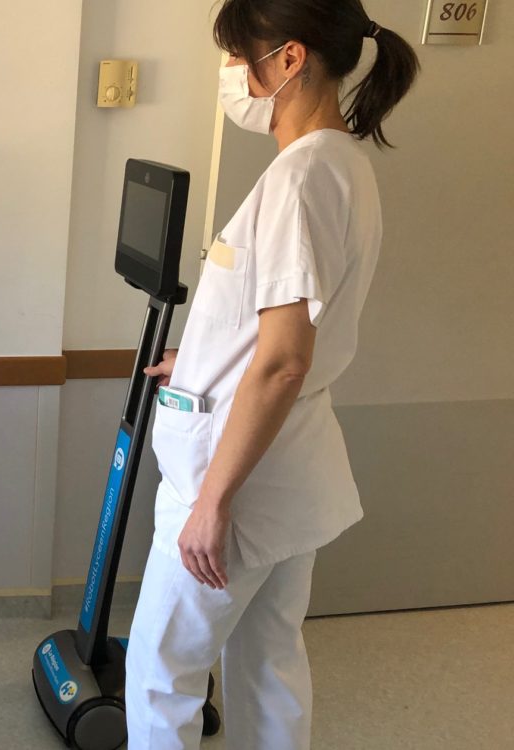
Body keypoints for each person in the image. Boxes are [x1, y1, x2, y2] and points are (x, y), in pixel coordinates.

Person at [123, 2, 419, 749]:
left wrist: (213, 502)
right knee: (267, 664)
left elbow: (286, 358)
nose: (231, 74)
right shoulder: (339, 164)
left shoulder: (302, 177)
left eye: (237, 55)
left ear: (289, 60)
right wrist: (199, 362)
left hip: (239, 481)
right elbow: (265, 331)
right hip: (287, 471)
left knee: (162, 674)